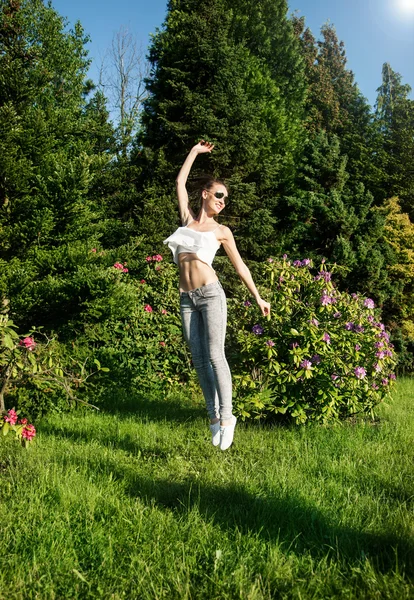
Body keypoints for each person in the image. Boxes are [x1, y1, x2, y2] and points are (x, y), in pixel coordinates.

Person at [164, 141, 270, 450]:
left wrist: (259, 297)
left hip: (211, 295)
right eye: (219, 195)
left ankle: (227, 418)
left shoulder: (221, 231)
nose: (223, 202)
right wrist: (194, 152)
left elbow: (241, 268)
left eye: (226, 199)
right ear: (206, 194)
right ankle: (212, 418)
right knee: (198, 360)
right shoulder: (187, 220)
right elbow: (180, 182)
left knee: (214, 355)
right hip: (187, 298)